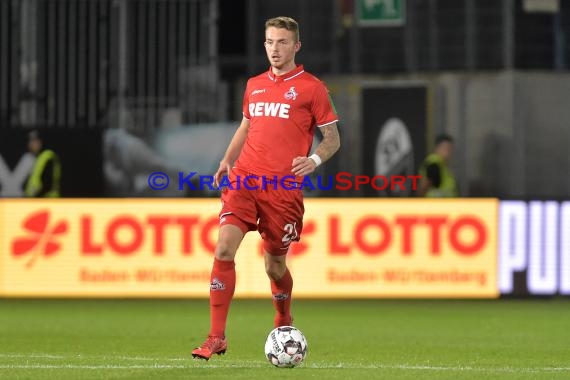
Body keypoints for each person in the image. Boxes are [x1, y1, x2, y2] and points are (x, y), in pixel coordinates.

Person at [191, 16, 340, 360]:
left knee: (274, 266)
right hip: (245, 180)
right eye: (270, 42)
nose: (275, 49)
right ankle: (216, 337)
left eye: (283, 42)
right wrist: (227, 160)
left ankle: (283, 317)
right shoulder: (254, 84)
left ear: (296, 46)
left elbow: (332, 138)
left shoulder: (311, 87)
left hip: (283, 190)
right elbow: (246, 125)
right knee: (224, 249)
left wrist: (314, 161)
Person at [418, 133, 458, 197]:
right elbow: (423, 187)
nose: (448, 152)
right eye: (445, 148)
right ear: (437, 148)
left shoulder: (442, 164)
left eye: (450, 149)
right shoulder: (434, 164)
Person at [24, 130, 62, 197]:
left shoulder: (47, 156)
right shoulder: (39, 158)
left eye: (34, 141)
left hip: (48, 201)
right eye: (30, 141)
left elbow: (48, 183)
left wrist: (36, 196)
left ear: (40, 142)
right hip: (39, 202)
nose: (31, 144)